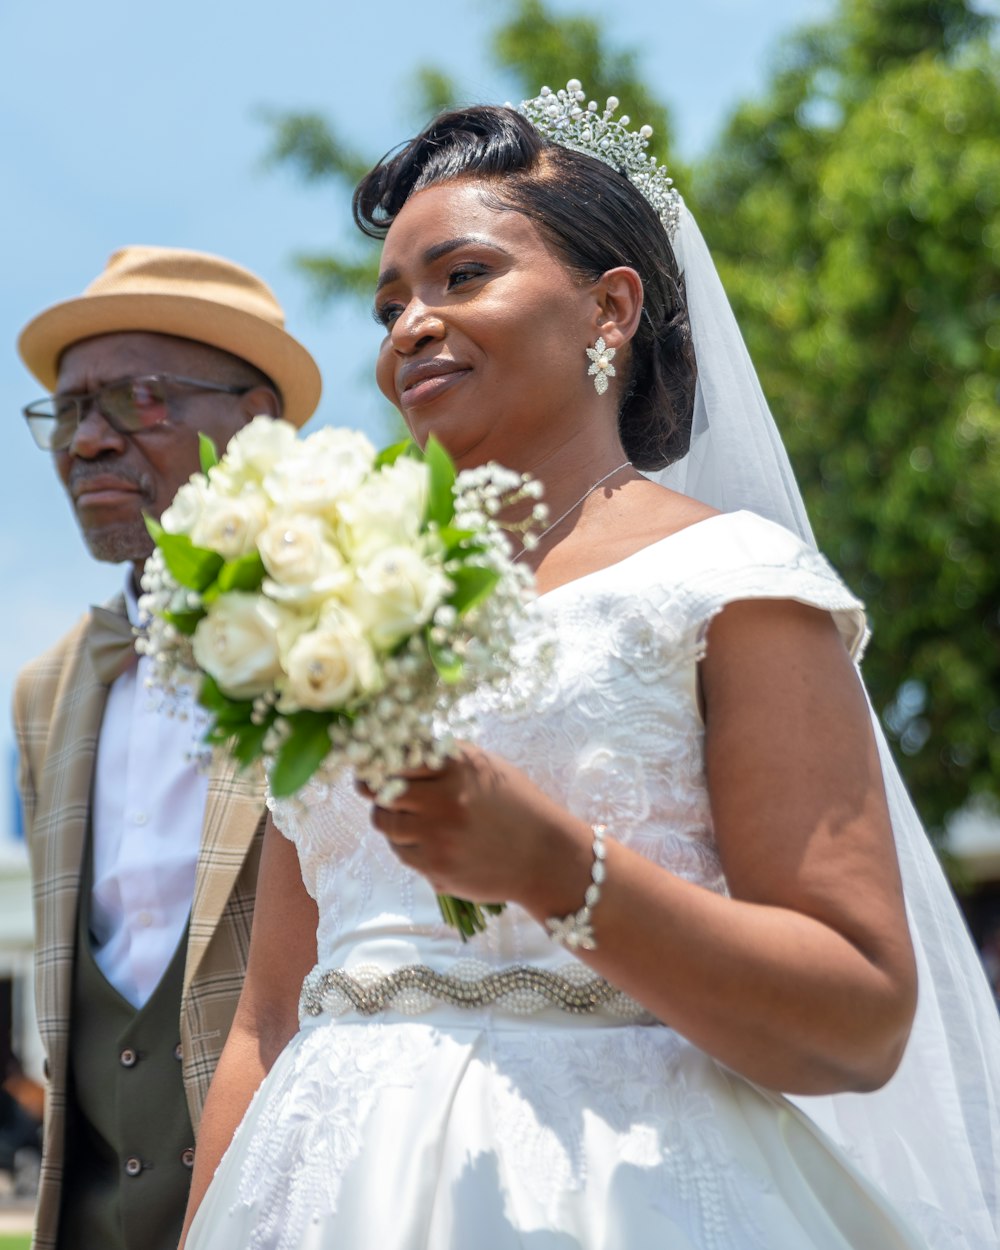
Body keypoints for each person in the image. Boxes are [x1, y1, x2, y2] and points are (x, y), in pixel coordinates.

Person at [182, 87, 1000, 1250]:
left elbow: (858, 1016)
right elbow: (265, 1020)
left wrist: (551, 862)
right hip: (315, 1195)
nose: (410, 324)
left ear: (608, 307)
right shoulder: (337, 605)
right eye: (390, 302)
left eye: (461, 276)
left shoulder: (730, 580)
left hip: (631, 1197)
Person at [13, 245, 322, 1250]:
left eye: (137, 399)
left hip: (309, 1200)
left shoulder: (346, 629)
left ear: (259, 420)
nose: (86, 442)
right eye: (67, 410)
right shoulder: (46, 688)